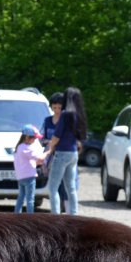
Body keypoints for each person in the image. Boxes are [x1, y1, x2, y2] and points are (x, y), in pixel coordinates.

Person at [45, 86, 87, 215]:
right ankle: (73, 215)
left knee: (53, 187)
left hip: (62, 153)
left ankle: (55, 216)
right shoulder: (78, 115)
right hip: (73, 153)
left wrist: (49, 148)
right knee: (71, 187)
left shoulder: (65, 115)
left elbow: (57, 136)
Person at [40, 91, 72, 212]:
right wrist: (48, 142)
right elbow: (41, 137)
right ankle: (57, 210)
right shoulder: (47, 121)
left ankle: (68, 211)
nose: (57, 110)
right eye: (54, 107)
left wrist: (53, 142)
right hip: (50, 157)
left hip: (63, 154)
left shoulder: (66, 121)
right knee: (55, 186)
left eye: (59, 107)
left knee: (66, 185)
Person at [13, 124, 46, 213]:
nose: (35, 140)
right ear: (27, 137)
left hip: (21, 177)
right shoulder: (27, 148)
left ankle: (16, 215)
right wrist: (49, 151)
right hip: (29, 177)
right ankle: (30, 217)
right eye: (34, 138)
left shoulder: (19, 147)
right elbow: (40, 158)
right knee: (30, 199)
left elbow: (28, 161)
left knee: (21, 197)